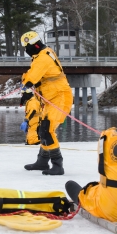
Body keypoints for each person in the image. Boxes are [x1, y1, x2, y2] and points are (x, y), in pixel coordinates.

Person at [20, 31, 73, 175]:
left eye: (27, 47)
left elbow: (32, 77)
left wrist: (25, 85)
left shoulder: (43, 58)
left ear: (34, 45)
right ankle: (42, 161)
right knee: (42, 129)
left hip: (59, 98)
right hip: (50, 99)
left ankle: (57, 164)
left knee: (46, 129)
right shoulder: (43, 54)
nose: (26, 51)